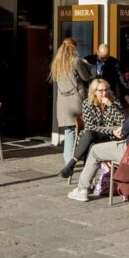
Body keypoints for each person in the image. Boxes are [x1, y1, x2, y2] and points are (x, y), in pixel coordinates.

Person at [58, 79, 125, 178]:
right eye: (101, 90)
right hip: (94, 134)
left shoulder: (114, 102)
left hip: (110, 137)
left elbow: (122, 122)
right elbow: (91, 126)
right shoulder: (87, 103)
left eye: (106, 90)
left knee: (91, 139)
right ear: (94, 92)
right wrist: (111, 131)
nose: (104, 93)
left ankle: (72, 167)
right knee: (90, 137)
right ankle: (83, 177)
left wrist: (111, 106)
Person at [50, 37, 94, 165]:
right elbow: (86, 78)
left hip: (63, 102)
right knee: (86, 128)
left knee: (69, 131)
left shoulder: (57, 63)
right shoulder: (76, 61)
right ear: (74, 48)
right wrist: (86, 64)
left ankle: (68, 161)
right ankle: (86, 157)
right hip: (77, 100)